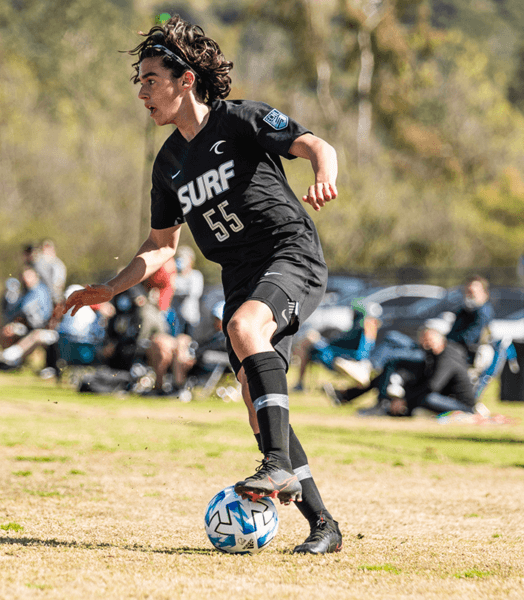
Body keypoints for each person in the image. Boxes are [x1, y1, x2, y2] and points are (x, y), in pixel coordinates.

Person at [60, 15, 341, 554]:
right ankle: (324, 525)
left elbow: (315, 145)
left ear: (185, 79)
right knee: (256, 405)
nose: (141, 91)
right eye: (137, 81)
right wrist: (108, 289)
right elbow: (162, 245)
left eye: (149, 79)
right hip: (239, 276)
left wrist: (324, 174)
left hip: (289, 254)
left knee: (243, 326)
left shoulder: (241, 120)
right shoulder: (168, 164)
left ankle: (278, 467)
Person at [334, 275, 495, 390]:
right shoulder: (463, 310)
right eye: (467, 292)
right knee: (392, 338)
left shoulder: (482, 313)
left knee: (394, 358)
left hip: (447, 355)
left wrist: (438, 341)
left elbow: (465, 340)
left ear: (484, 294)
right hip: (436, 347)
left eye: (472, 293)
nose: (468, 296)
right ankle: (366, 366)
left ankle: (356, 390)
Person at [356, 325, 479, 418]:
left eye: (430, 340)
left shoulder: (447, 357)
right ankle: (389, 408)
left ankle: (399, 410)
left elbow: (433, 386)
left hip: (462, 405)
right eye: (424, 341)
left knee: (427, 398)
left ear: (441, 339)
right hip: (445, 397)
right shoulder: (433, 356)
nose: (426, 344)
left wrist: (405, 400)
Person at [171, 245, 204, 336]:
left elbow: (194, 293)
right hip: (175, 318)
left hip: (190, 317)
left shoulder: (196, 275)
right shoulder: (174, 276)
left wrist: (177, 291)